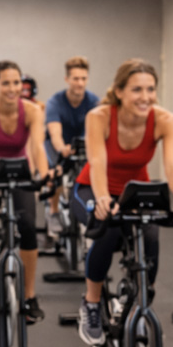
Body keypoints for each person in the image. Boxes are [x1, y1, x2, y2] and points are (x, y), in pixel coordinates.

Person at [72, 58, 173, 345]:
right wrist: (103, 198)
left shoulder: (165, 120)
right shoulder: (100, 116)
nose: (145, 97)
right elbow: (96, 162)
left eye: (151, 89)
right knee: (107, 231)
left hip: (134, 193)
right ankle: (91, 304)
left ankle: (138, 304)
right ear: (119, 91)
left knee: (151, 235)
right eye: (136, 90)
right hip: (91, 189)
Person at [0, 60, 53, 323]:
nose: (12, 88)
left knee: (28, 225)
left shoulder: (31, 111)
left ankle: (29, 296)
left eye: (16, 82)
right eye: (6, 83)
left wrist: (45, 173)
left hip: (19, 170)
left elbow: (38, 147)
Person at [43, 56, 100, 234]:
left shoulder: (93, 102)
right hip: (58, 144)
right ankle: (53, 212)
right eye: (76, 79)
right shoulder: (55, 102)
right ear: (67, 79)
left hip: (83, 143)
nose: (80, 83)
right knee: (57, 173)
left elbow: (96, 131)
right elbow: (55, 133)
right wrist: (62, 149)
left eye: (83, 78)